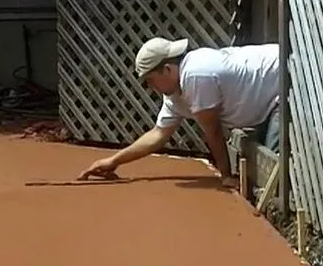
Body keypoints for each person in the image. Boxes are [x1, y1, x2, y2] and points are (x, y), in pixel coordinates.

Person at [78, 37, 280, 188]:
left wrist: (226, 176)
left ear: (167, 69)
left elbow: (213, 131)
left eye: (150, 80)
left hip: (286, 82)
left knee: (276, 171)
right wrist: (113, 161)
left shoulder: (196, 76)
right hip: (267, 100)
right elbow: (158, 134)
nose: (150, 87)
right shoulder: (175, 94)